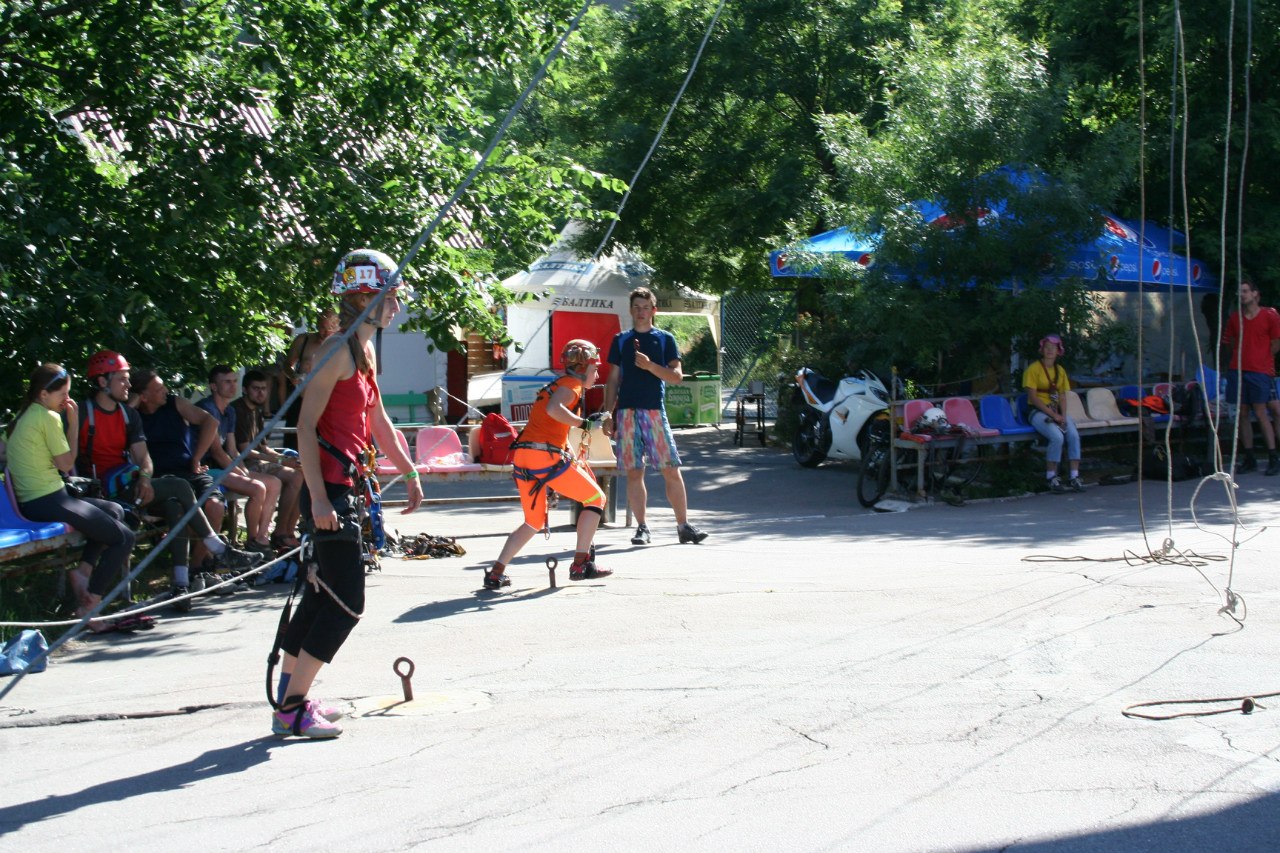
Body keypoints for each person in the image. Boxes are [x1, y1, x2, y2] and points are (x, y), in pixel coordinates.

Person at [272, 249, 423, 739]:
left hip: (349, 489)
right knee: (346, 604)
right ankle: (293, 708)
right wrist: (316, 500)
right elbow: (306, 429)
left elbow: (377, 420)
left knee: (321, 595)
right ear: (365, 297)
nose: (396, 307)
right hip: (329, 492)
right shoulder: (334, 352)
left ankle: (289, 701)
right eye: (391, 297)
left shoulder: (366, 350)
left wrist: (410, 470)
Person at [79, 351, 261, 612]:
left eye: (129, 380)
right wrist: (133, 404)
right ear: (102, 382)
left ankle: (183, 581)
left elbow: (142, 456)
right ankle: (218, 550)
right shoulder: (90, 413)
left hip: (144, 480)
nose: (127, 385)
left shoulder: (141, 412)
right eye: (122, 380)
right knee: (179, 488)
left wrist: (149, 474)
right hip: (112, 488)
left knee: (179, 503)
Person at [7, 363, 135, 631]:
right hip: (47, 500)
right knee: (124, 538)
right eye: (62, 394)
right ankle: (90, 607)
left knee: (114, 510)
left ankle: (83, 572)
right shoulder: (47, 417)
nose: (67, 399)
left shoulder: (25, 415)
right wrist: (74, 423)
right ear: (43, 394)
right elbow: (66, 464)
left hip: (42, 499)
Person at [483, 340, 612, 591]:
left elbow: (550, 427)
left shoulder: (554, 386)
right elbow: (555, 410)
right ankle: (581, 564)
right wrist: (585, 424)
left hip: (525, 457)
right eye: (595, 368)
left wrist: (572, 454)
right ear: (583, 368)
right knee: (596, 499)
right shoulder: (571, 386)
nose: (597, 374)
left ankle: (496, 572)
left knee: (533, 521)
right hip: (545, 458)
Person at [601, 286, 708, 546]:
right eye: (636, 307)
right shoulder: (621, 340)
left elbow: (676, 377)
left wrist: (650, 366)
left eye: (645, 307)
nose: (641, 312)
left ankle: (683, 526)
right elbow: (613, 379)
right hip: (626, 413)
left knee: (670, 469)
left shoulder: (664, 339)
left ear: (653, 310)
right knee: (635, 472)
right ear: (630, 310)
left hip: (654, 412)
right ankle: (642, 527)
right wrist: (607, 413)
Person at [130, 367, 229, 574]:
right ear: (144, 396)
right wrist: (132, 406)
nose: (165, 391)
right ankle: (196, 569)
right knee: (181, 509)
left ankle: (197, 565)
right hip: (160, 478)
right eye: (158, 389)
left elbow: (210, 421)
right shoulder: (133, 416)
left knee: (215, 506)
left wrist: (197, 457)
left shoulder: (174, 403)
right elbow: (121, 430)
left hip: (188, 469)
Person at [197, 366, 283, 556]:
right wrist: (244, 474)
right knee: (258, 487)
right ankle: (253, 542)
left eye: (234, 381)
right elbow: (217, 453)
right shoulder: (207, 409)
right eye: (227, 382)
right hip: (207, 469)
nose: (232, 386)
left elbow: (233, 450)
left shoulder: (229, 411)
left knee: (274, 483)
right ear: (213, 386)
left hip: (225, 468)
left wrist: (243, 470)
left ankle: (261, 538)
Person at [233, 368, 303, 549]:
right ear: (245, 390)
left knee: (300, 473)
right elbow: (245, 451)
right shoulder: (238, 410)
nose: (261, 393)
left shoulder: (256, 411)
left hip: (258, 461)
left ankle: (286, 530)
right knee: (286, 479)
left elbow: (263, 447)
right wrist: (280, 462)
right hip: (244, 465)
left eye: (264, 389)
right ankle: (272, 534)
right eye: (256, 388)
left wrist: (285, 458)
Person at [1219, 278, 1280, 475]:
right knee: (1242, 413)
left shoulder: (1269, 315)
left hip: (1260, 370)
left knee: (1262, 412)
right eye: (1240, 292)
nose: (1242, 295)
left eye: (1245, 291)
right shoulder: (1235, 318)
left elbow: (1276, 343)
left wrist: (1263, 360)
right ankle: (1250, 456)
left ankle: (1273, 456)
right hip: (1238, 369)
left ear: (1255, 293)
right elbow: (1228, 342)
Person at [1023, 334, 1085, 493]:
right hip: (1038, 411)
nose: (1050, 350)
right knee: (1056, 437)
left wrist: (1063, 416)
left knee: (1073, 434)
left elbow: (1063, 395)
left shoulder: (1060, 371)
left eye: (1054, 348)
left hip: (1057, 411)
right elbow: (1033, 397)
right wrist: (1053, 415)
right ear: (1042, 350)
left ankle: (1074, 476)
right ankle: (1051, 476)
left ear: (1059, 351)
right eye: (1047, 347)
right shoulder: (1033, 369)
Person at [279, 306, 339, 450]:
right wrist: (293, 376)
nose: (325, 332)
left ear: (338, 326)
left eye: (330, 328)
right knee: (294, 440)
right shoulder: (304, 340)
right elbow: (287, 364)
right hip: (302, 396)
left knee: (325, 442)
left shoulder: (341, 344)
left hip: (327, 399)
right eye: (322, 327)